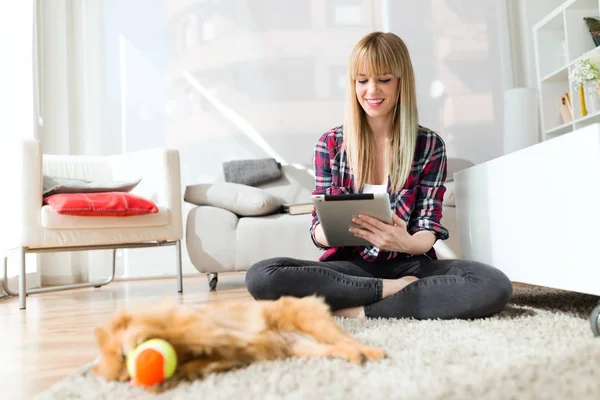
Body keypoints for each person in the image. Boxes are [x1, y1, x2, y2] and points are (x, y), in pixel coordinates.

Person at [245, 31, 512, 320]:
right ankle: (392, 291)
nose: (372, 91)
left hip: (411, 263)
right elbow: (317, 232)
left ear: (401, 82)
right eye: (363, 80)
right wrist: (335, 229)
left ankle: (356, 310)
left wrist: (403, 242)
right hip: (351, 267)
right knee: (262, 275)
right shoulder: (330, 145)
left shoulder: (429, 145)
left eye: (384, 79)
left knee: (492, 284)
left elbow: (428, 227)